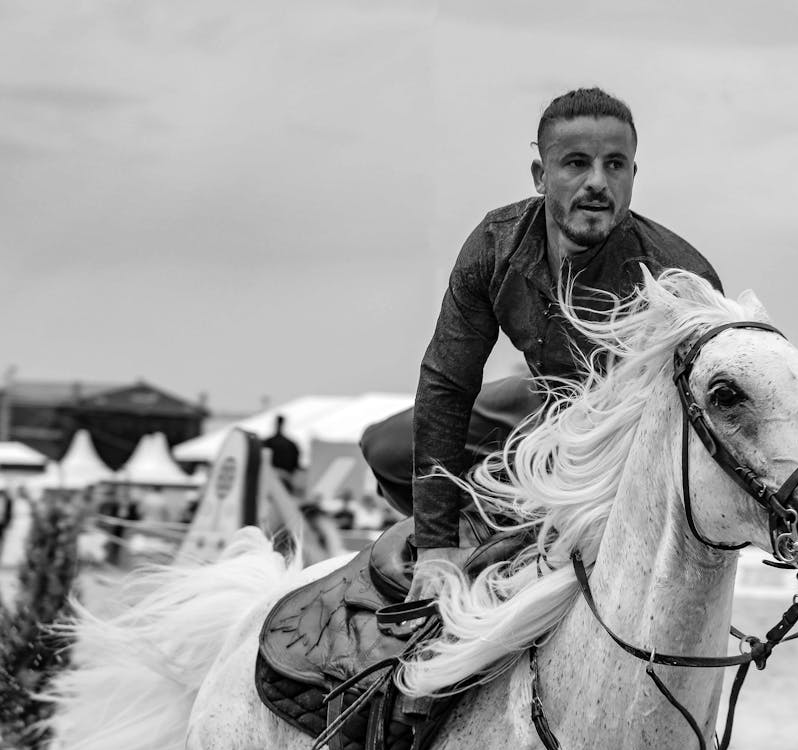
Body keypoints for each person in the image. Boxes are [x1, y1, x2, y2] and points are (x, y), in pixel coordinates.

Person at [361, 87, 722, 591]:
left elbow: (700, 426)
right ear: (540, 176)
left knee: (560, 502)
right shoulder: (495, 243)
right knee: (387, 448)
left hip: (625, 445)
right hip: (543, 403)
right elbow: (448, 383)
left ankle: (517, 529)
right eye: (576, 163)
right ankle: (477, 533)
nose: (597, 182)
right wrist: (436, 541)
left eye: (615, 165)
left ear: (633, 178)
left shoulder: (678, 278)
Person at [263, 415, 301, 492]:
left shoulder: (267, 442)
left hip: (275, 477)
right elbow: (296, 464)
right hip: (282, 477)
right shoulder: (291, 444)